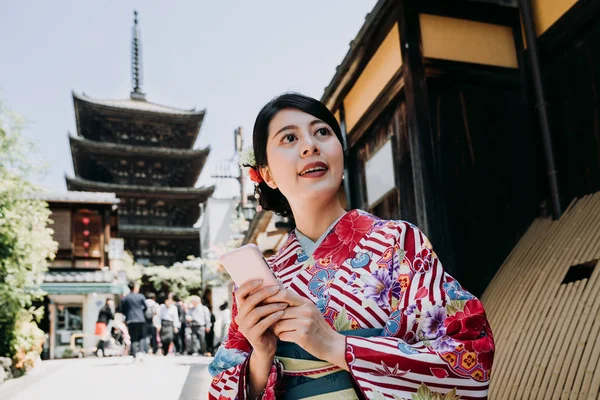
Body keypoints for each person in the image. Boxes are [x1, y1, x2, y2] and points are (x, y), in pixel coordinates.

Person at [208, 93, 494, 399]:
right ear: (267, 174)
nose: (310, 145)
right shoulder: (261, 281)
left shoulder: (400, 242)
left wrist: (337, 346)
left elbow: (468, 354)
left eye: (322, 132)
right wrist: (260, 358)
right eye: (289, 138)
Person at [119, 282, 147, 362]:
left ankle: (135, 354)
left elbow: (121, 309)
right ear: (134, 287)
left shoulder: (125, 298)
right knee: (141, 336)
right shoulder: (140, 296)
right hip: (141, 319)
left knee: (133, 337)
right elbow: (145, 307)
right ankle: (141, 353)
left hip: (130, 319)